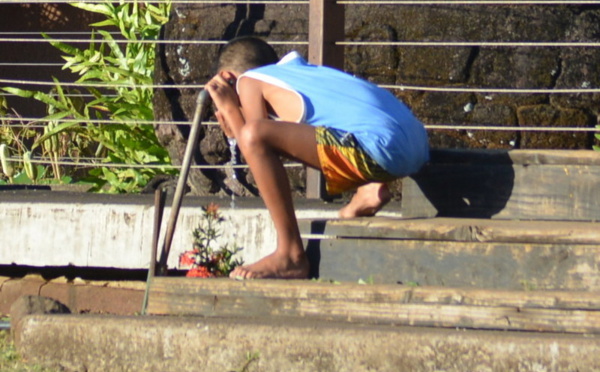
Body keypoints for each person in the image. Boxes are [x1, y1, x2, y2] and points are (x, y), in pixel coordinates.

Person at [205, 36, 429, 279]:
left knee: (255, 134)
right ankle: (369, 189)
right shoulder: (303, 74)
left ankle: (290, 254)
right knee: (288, 134)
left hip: (383, 152)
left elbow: (253, 142)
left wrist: (228, 109)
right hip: (417, 146)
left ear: (228, 78)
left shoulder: (248, 81)